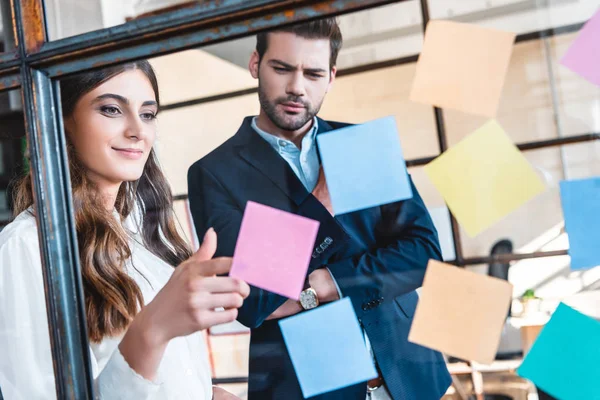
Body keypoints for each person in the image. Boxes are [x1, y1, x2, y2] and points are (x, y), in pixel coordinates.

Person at [188, 18, 452, 400]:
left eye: (312, 73)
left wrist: (324, 283)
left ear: (330, 77)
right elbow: (253, 301)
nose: (297, 87)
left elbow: (423, 255)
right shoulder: (215, 173)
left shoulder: (362, 146)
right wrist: (323, 199)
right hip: (308, 384)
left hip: (408, 373)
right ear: (255, 64)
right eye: (282, 69)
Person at [0, 61, 249, 400]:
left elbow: (165, 381)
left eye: (147, 114)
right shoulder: (27, 247)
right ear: (61, 121)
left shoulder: (143, 238)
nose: (137, 130)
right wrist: (153, 327)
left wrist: (211, 394)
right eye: (112, 109)